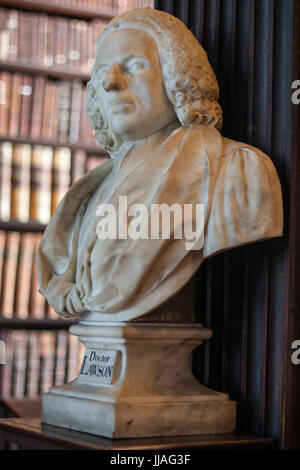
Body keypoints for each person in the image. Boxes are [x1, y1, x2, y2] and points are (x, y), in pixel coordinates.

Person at [37, 8, 283, 321]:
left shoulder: (238, 172)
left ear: (176, 77)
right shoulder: (87, 195)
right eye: (101, 74)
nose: (111, 83)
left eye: (134, 66)